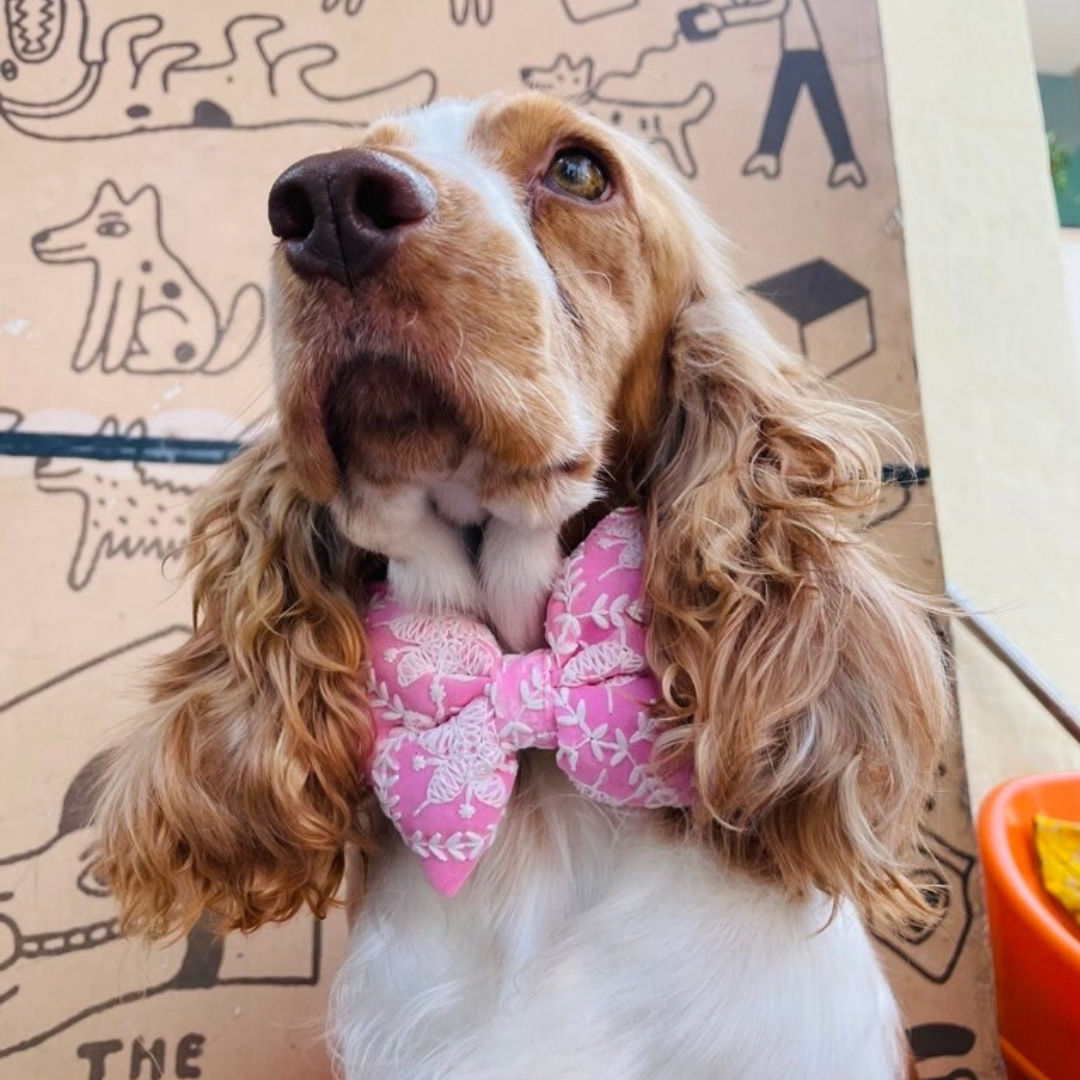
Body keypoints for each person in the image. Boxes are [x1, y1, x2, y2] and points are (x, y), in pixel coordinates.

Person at [679, 0, 867, 188]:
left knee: (821, 103)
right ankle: (770, 153)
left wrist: (722, 18)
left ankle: (843, 160)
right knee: (789, 99)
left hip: (806, 51)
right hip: (795, 51)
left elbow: (774, 7)